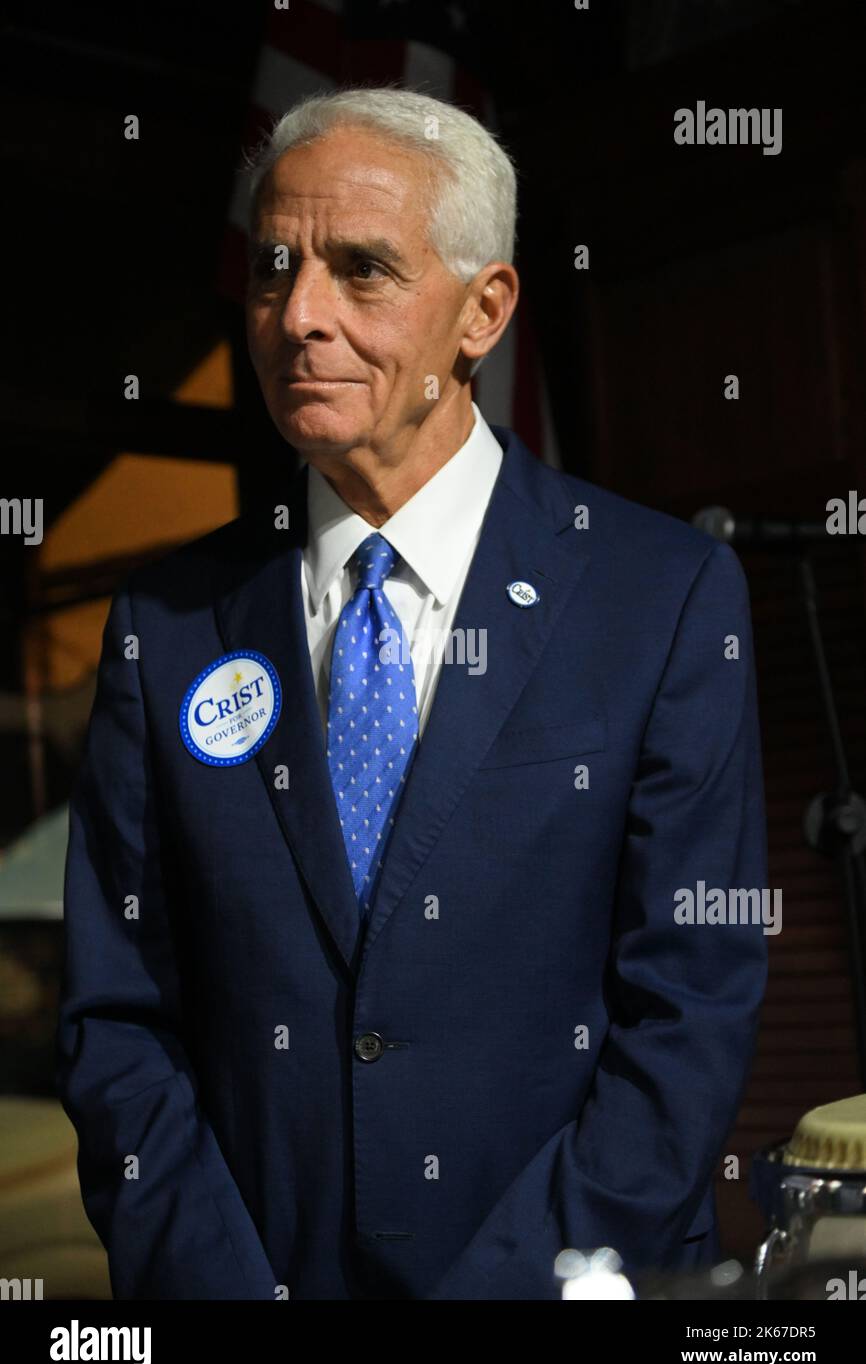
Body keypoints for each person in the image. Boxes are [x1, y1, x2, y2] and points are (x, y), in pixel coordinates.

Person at [56, 86, 768, 1300]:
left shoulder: (663, 595)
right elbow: (116, 1019)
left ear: (482, 311)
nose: (299, 316)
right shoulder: (167, 622)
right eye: (276, 267)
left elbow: (689, 1010)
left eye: (362, 270)